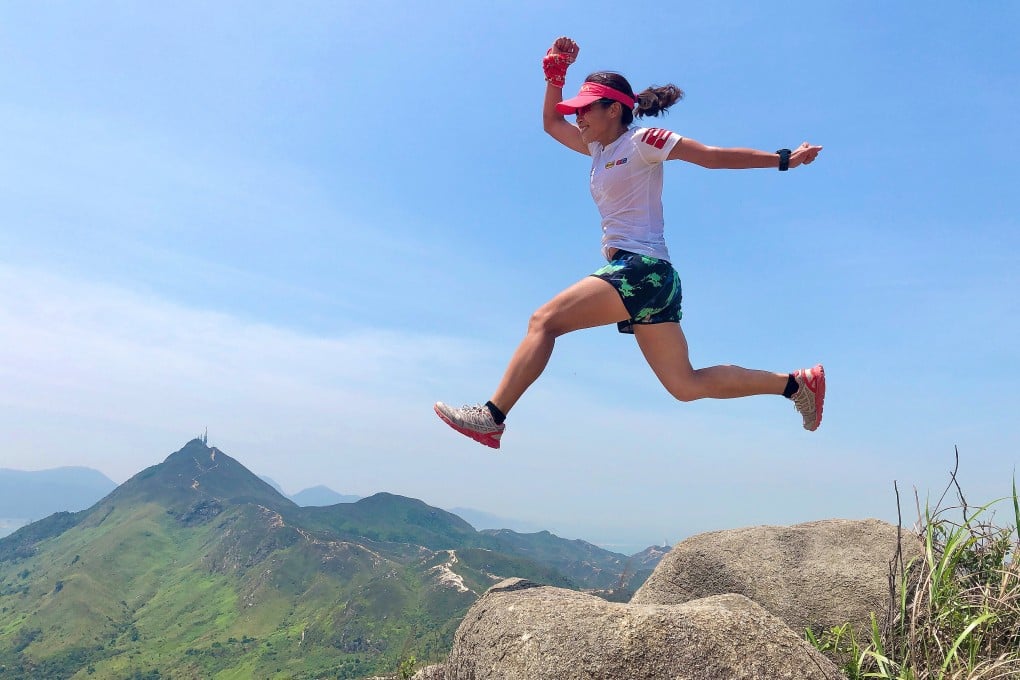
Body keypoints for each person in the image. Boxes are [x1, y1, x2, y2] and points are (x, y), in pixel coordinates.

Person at [434, 36, 825, 449]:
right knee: (685, 385)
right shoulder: (596, 149)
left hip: (643, 269)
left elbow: (711, 155)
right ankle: (796, 385)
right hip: (651, 279)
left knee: (544, 322)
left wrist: (784, 159)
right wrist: (555, 76)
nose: (578, 116)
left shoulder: (642, 142)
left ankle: (492, 416)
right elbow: (551, 122)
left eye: (586, 108)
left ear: (614, 108)